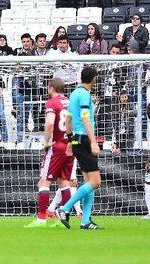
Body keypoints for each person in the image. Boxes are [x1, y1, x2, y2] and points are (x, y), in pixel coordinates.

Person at [55, 67, 103, 230]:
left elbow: (68, 118)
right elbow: (84, 117)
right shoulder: (84, 94)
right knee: (96, 182)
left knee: (89, 182)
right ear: (94, 79)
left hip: (76, 139)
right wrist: (93, 141)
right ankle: (64, 208)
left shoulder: (74, 93)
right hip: (84, 140)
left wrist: (70, 138)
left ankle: (86, 221)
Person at [25, 78, 74, 228]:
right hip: (69, 146)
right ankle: (64, 219)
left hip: (56, 147)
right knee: (64, 182)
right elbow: (71, 122)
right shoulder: (69, 102)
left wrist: (46, 142)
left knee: (44, 182)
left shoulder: (51, 103)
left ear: (51, 88)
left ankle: (41, 219)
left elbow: (50, 123)